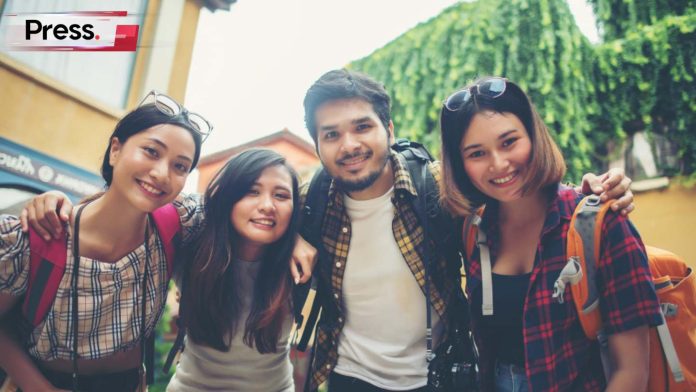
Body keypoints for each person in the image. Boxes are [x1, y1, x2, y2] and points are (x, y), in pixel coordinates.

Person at [296, 69, 636, 392]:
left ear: (389, 129)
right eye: (331, 134)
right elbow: (255, 223)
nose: (349, 145)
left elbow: (516, 191)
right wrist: (292, 239)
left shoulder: (438, 187)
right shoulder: (309, 202)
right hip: (349, 378)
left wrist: (590, 192)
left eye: (362, 127)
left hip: (440, 376)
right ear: (317, 144)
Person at [438, 77, 662, 391]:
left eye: (509, 142)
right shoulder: (472, 230)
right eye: (477, 154)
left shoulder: (600, 224)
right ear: (460, 164)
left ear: (533, 135)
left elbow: (631, 372)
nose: (499, 164)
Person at [0, 90, 209, 392]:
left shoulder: (178, 222)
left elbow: (242, 207)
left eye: (180, 166)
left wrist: (298, 239)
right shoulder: (38, 235)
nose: (162, 173)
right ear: (115, 150)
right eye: (151, 151)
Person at [166, 148, 301, 392]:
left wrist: (301, 239)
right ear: (228, 196)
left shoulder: (299, 263)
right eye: (252, 191)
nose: (267, 206)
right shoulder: (192, 248)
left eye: (281, 195)